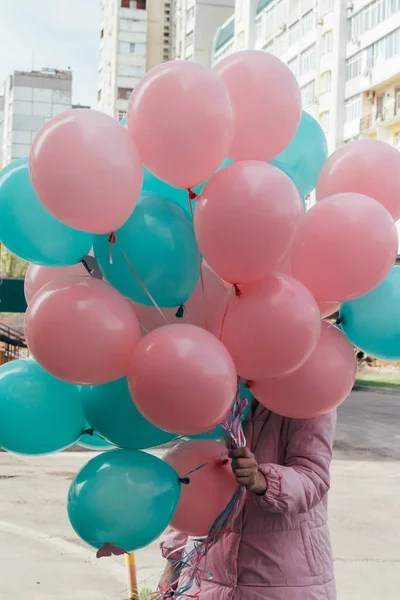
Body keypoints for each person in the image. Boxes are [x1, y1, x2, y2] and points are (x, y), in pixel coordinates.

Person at [159, 400, 337, 599]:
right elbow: (189, 480)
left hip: (284, 574)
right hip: (205, 574)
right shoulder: (212, 389)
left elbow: (313, 479)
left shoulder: (307, 392)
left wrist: (262, 480)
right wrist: (174, 560)